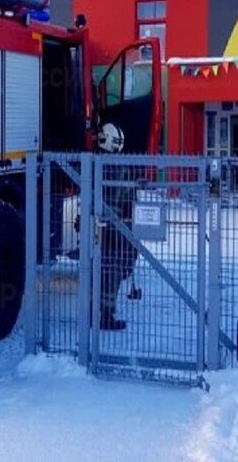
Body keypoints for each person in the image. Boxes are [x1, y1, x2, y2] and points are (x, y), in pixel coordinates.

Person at [97, 123, 139, 331]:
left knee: (98, 268)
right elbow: (127, 201)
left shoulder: (95, 163)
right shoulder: (120, 168)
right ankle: (106, 314)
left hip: (99, 226)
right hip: (116, 228)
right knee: (114, 269)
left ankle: (97, 309)